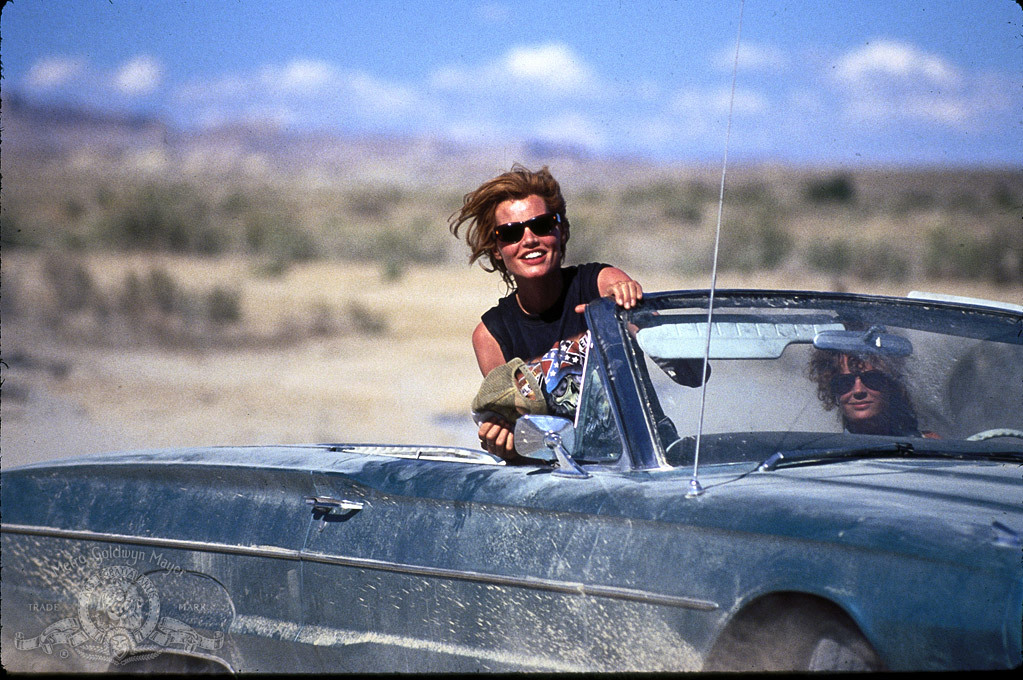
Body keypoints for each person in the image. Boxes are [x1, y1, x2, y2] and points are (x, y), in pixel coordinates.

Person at [450, 164, 643, 460]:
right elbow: (524, 442)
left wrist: (630, 307)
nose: (529, 239)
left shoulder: (600, 285)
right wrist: (505, 445)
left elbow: (683, 372)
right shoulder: (491, 336)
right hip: (566, 474)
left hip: (643, 460)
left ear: (561, 231)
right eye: (511, 233)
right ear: (496, 249)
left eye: (541, 225)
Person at [808, 349, 937, 438]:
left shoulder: (928, 446)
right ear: (833, 391)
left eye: (872, 379)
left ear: (891, 385)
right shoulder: (823, 454)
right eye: (844, 382)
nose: (858, 391)